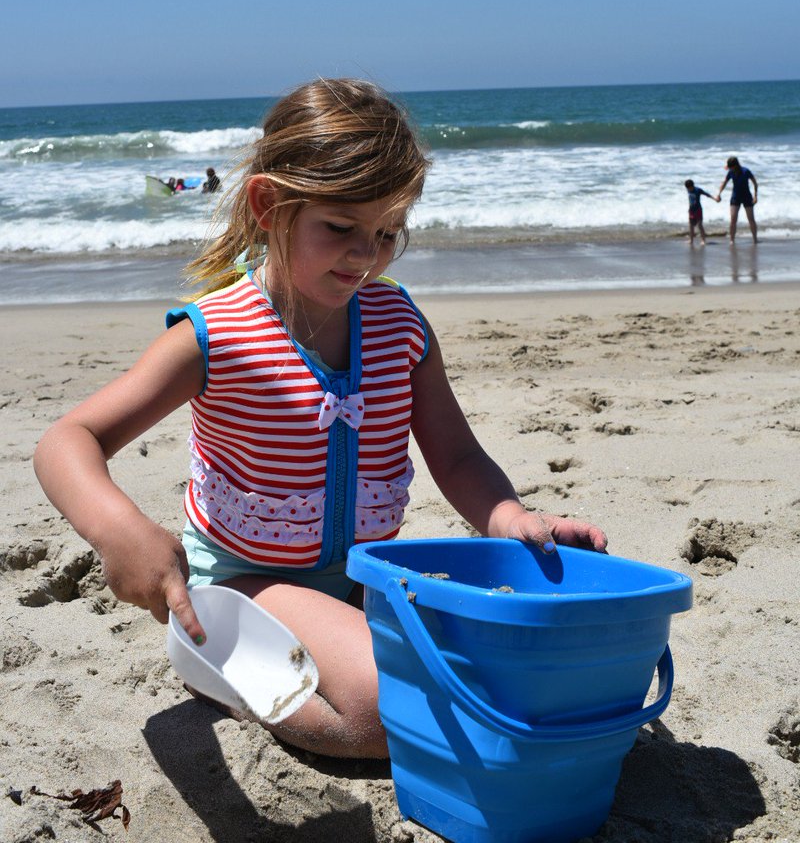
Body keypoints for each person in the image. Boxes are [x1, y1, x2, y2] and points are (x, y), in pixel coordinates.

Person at [33, 78, 606, 761]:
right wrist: (120, 531)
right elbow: (68, 441)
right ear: (270, 205)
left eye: (388, 232)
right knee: (384, 712)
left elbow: (456, 459)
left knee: (519, 657)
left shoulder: (400, 327)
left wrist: (512, 521)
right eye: (341, 228)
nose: (367, 255)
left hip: (368, 580)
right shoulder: (218, 336)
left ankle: (309, 655)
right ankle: (216, 659)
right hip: (246, 584)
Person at [718, 156, 758, 244]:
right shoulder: (730, 172)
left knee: (751, 219)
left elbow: (755, 183)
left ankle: (755, 239)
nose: (730, 168)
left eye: (731, 167)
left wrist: (755, 196)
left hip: (747, 196)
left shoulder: (746, 171)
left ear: (735, 165)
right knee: (733, 219)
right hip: (735, 196)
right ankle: (732, 240)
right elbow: (724, 182)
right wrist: (719, 193)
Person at [684, 179, 719, 246]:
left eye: (689, 188)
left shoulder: (698, 190)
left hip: (698, 210)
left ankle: (703, 240)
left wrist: (715, 199)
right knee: (691, 226)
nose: (689, 189)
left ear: (692, 186)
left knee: (700, 225)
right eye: (687, 188)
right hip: (691, 210)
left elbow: (707, 194)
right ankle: (691, 240)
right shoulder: (688, 189)